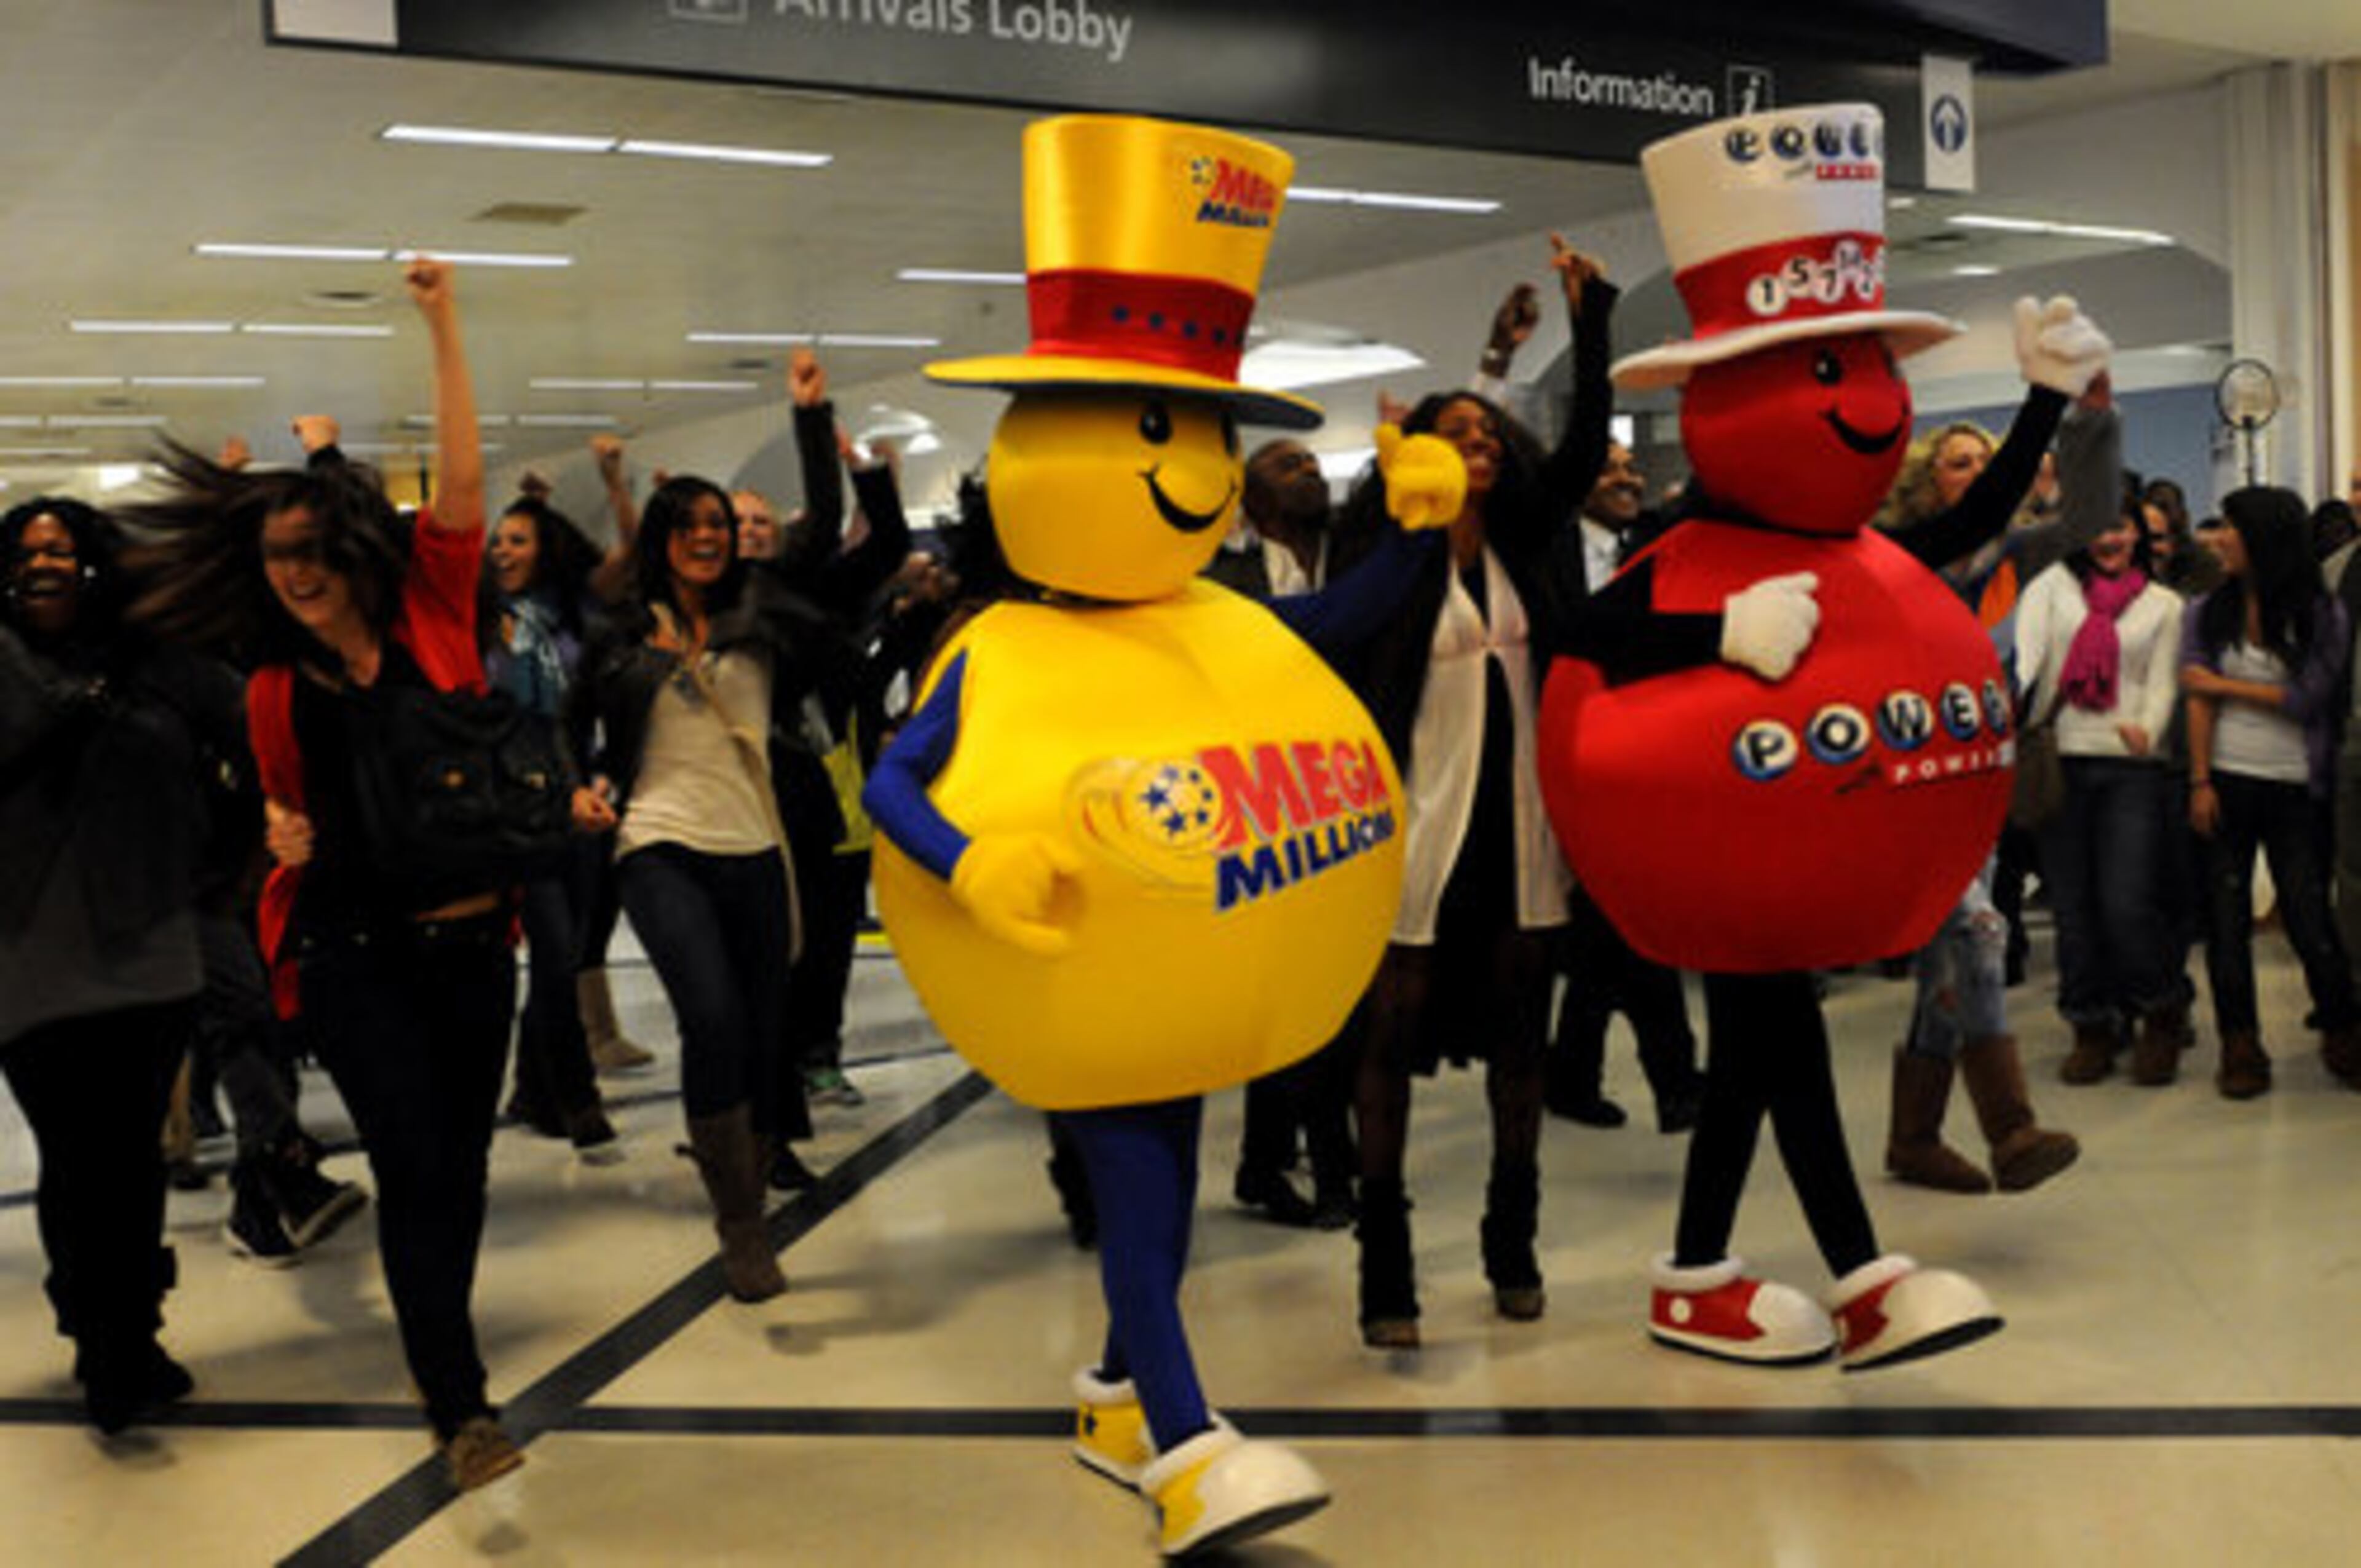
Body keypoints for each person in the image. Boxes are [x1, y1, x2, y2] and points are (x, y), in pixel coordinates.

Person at [130, 259, 541, 1489]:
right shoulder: (267, 689)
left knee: (459, 1167)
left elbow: (461, 482)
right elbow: (277, 819)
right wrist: (278, 836)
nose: (296, 574)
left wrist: (442, 321)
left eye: (310, 549)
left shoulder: (432, 611)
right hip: (357, 960)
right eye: (275, 561)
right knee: (415, 1162)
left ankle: (445, 1353)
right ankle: (459, 1398)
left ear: (353, 543)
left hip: (476, 950)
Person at [567, 348, 844, 1299]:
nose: (707, 537)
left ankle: (745, 1165)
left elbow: (828, 532)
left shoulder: (757, 610)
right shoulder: (618, 631)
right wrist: (577, 785)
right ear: (662, 537)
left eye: (719, 524)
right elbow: (571, 727)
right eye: (688, 525)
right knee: (714, 1016)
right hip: (658, 843)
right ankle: (742, 1224)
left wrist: (812, 419)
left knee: (764, 1033)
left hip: (756, 845)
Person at [1, 496, 223, 1433]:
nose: (45, 565)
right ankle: (102, 1335)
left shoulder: (153, 661)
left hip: (148, 946)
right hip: (28, 954)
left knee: (129, 1155)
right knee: (76, 1154)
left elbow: (241, 722)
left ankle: (130, 1332)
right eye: (26, 552)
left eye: (62, 549)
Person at [1206, 435, 1361, 1229]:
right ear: (1247, 493)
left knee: (1325, 995)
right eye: (1284, 465)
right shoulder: (1220, 582)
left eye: (1311, 461)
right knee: (1291, 998)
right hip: (1260, 809)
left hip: (1349, 795)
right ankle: (1319, 1168)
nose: (1307, 471)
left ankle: (1276, 1161)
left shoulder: (1349, 554)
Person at [2180, 486, 2360, 1098]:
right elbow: (2195, 696)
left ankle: (2342, 1030)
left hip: (2295, 787)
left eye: (2231, 528)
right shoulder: (2207, 611)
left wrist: (2222, 685)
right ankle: (2240, 1046)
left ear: (2265, 536)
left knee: (2310, 919)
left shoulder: (2323, 612)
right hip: (2226, 781)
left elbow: (2309, 699)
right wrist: (2200, 780)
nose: (2219, 538)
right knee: (2227, 927)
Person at [2015, 493, 2190, 1088]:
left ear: (2139, 533)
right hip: (2061, 761)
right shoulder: (2053, 591)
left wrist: (2150, 726)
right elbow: (2029, 667)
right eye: (2096, 528)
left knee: (2127, 901)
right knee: (2073, 909)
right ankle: (2091, 1023)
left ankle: (2161, 1011)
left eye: (2119, 528)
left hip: (2132, 766)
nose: (2108, 540)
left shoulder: (2166, 605)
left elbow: (2164, 681)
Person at [485, 493, 622, 1162]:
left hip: (579, 791)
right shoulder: (480, 624)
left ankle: (529, 1087)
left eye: (517, 540)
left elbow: (595, 706)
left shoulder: (577, 619)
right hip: (516, 805)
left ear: (546, 549)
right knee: (555, 946)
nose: (502, 551)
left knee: (569, 953)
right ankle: (576, 1094)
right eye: (498, 541)